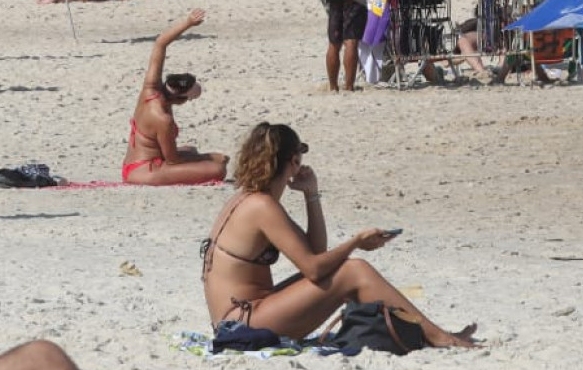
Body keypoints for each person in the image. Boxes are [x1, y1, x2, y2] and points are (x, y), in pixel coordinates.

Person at [201, 123, 477, 347]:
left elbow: (316, 253)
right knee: (354, 271)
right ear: (294, 160)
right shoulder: (262, 206)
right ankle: (439, 337)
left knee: (347, 269)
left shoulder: (250, 199)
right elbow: (313, 268)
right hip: (240, 324)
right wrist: (356, 242)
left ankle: (427, 334)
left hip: (244, 315)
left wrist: (312, 194)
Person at [123, 11, 227, 185]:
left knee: (192, 150)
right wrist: (207, 158)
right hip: (145, 171)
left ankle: (204, 158)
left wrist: (188, 23)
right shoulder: (163, 119)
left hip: (135, 162)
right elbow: (173, 161)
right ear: (181, 98)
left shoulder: (150, 89)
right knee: (218, 168)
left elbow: (160, 44)